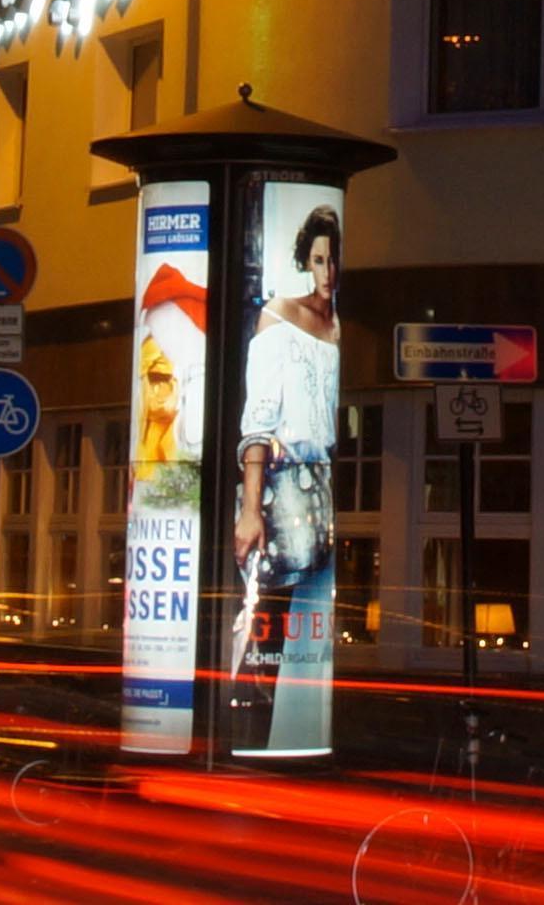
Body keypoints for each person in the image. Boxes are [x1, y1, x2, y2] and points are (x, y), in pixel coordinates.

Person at [230, 200, 343, 751]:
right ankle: (245, 729)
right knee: (266, 620)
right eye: (320, 260)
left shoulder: (340, 325)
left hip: (321, 491)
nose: (329, 272)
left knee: (307, 627)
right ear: (307, 261)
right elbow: (258, 418)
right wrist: (251, 511)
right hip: (282, 488)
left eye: (335, 260)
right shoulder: (279, 314)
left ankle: (285, 739)